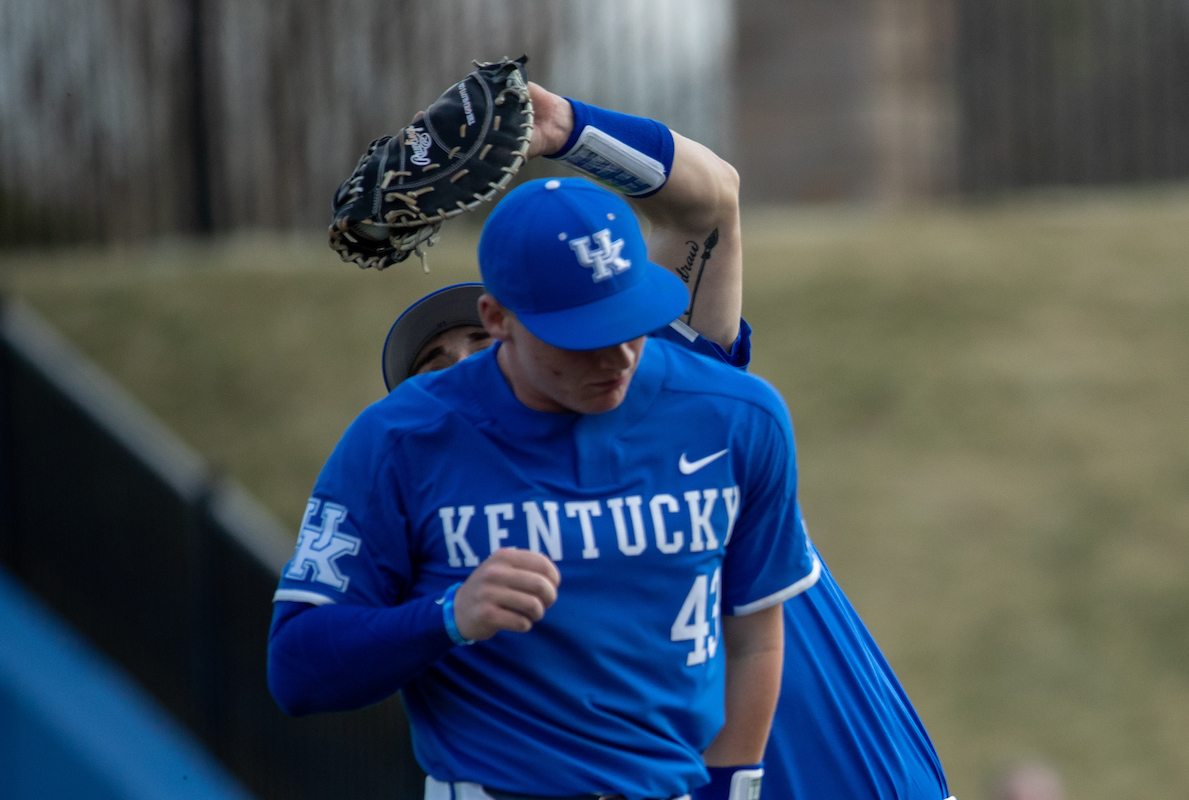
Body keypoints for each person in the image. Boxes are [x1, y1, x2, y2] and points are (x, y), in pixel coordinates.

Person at [375, 86, 956, 800]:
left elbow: (708, 205)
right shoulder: (454, 558)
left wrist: (563, 128)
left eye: (477, 337)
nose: (466, 363)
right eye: (435, 368)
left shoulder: (658, 386)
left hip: (864, 774)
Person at [268, 86, 818, 800]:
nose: (616, 355)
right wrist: (447, 619)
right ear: (499, 319)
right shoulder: (399, 440)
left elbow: (755, 633)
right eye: (581, 339)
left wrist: (566, 127)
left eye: (629, 322)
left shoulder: (724, 407)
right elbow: (297, 671)